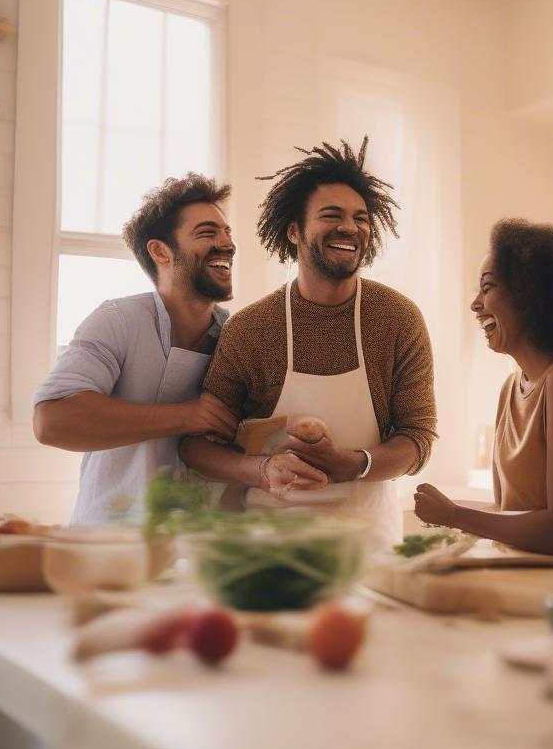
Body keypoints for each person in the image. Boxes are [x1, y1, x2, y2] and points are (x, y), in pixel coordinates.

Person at [181, 138, 437, 552]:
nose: (350, 228)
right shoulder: (252, 328)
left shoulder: (397, 319)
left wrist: (355, 464)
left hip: (368, 544)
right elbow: (196, 447)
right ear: (294, 231)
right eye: (331, 215)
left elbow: (418, 437)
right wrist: (262, 470)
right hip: (270, 545)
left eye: (361, 218)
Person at [413, 218, 553, 566]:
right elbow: (513, 513)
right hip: (529, 580)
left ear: (532, 294)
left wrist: (454, 516)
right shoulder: (513, 386)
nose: (475, 305)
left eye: (487, 287)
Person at [33, 174, 239, 524]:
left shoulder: (236, 335)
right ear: (160, 251)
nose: (227, 244)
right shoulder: (118, 320)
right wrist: (189, 415)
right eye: (207, 233)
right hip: (107, 544)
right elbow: (52, 421)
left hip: (199, 547)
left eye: (227, 233)